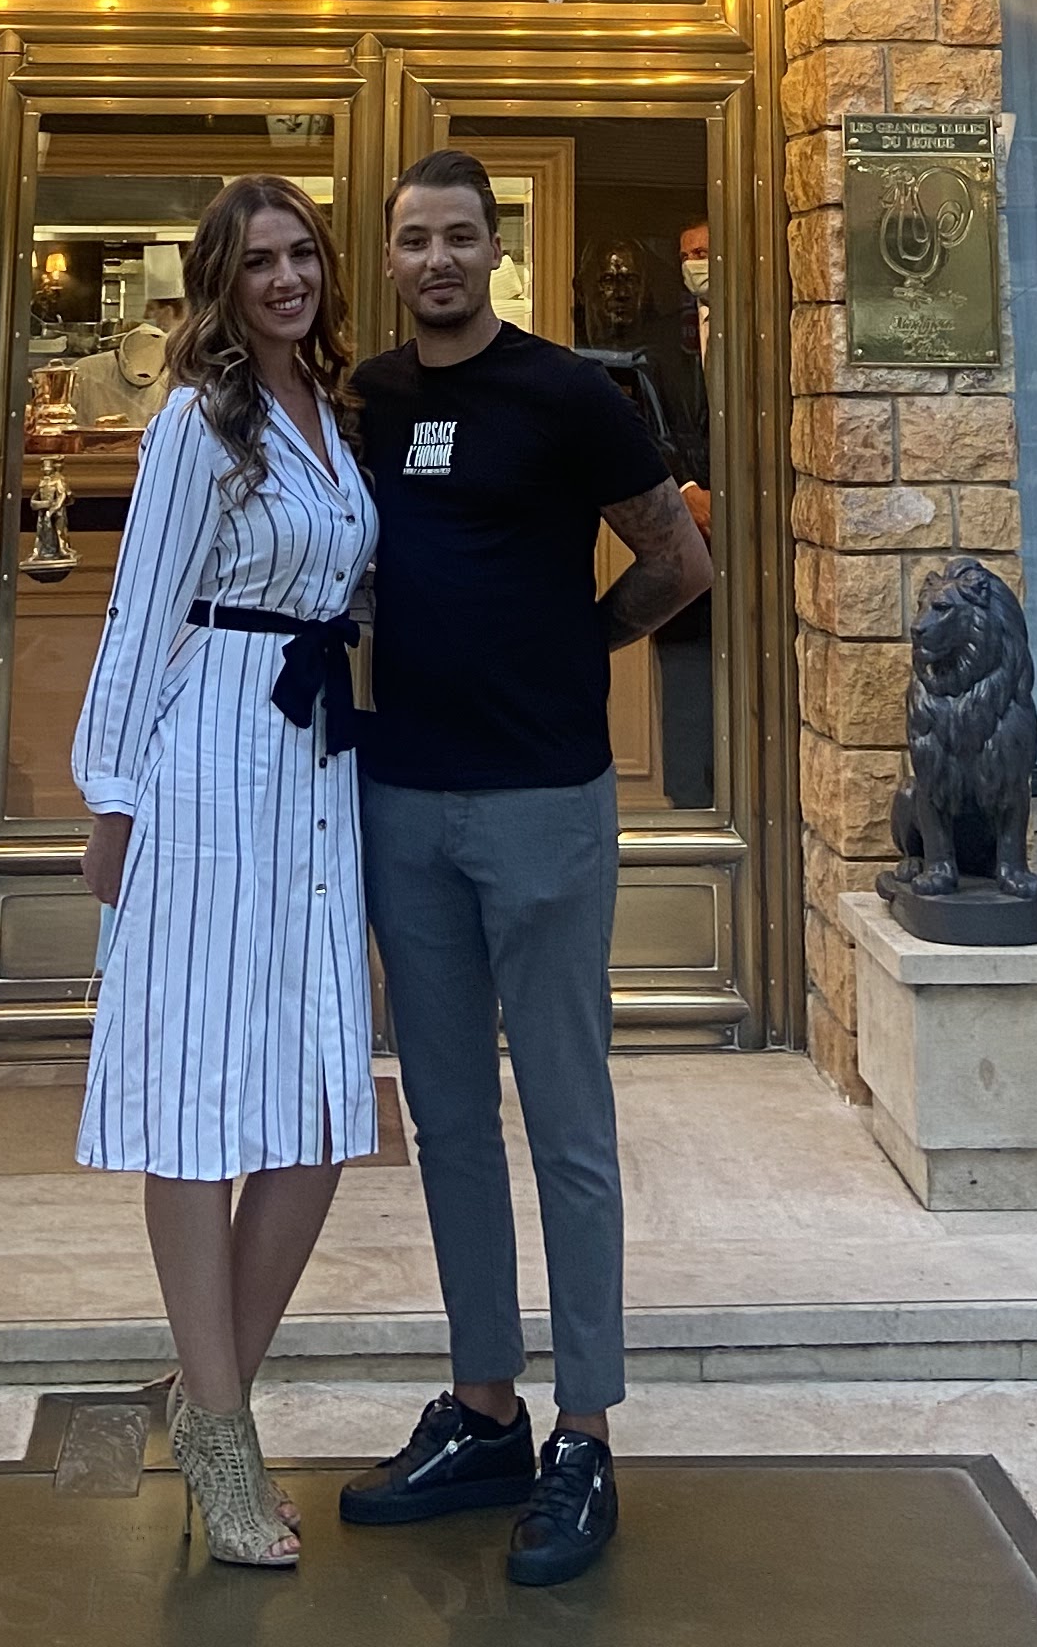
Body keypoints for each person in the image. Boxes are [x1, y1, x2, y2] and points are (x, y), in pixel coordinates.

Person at [340, 149, 714, 1591]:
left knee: (567, 1120)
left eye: (459, 237)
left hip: (546, 801)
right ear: (389, 258)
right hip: (402, 801)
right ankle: (485, 1407)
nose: (436, 260)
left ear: (495, 249)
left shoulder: (569, 395)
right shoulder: (367, 399)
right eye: (413, 239)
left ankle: (586, 1431)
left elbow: (678, 562)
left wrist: (581, 642)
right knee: (445, 1121)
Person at [74, 175, 377, 1569]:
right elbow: (140, 613)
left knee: (316, 1103)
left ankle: (207, 1400)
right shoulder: (198, 423)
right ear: (221, 280)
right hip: (206, 759)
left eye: (301, 253)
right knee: (199, 1092)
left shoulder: (333, 413)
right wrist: (112, 797)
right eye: (259, 261)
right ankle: (223, 1427)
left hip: (314, 759)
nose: (286, 279)